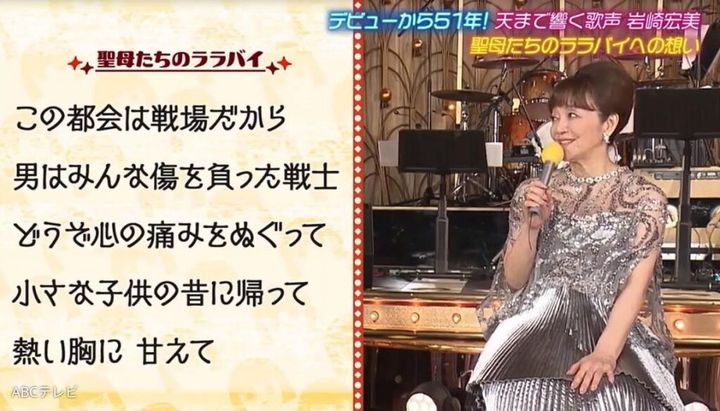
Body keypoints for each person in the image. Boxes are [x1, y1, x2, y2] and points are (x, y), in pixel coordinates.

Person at [465, 61, 686, 410]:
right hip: (535, 330)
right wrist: (531, 227)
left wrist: (605, 354)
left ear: (608, 124)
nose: (559, 129)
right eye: (555, 117)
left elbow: (634, 289)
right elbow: (514, 279)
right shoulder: (535, 191)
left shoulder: (645, 199)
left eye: (572, 116)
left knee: (617, 397)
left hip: (609, 333)